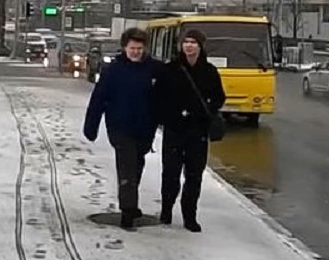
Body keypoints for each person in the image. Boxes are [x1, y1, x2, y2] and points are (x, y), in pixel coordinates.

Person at [82, 27, 160, 230]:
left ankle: (129, 202)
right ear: (125, 47)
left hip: (144, 128)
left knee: (136, 165)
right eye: (132, 48)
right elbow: (98, 99)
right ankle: (128, 210)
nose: (136, 52)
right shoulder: (113, 71)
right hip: (120, 127)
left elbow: (166, 95)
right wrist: (91, 126)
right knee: (126, 166)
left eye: (139, 48)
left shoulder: (154, 69)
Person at [151, 28, 225, 232]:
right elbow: (158, 98)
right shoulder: (170, 69)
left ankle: (189, 216)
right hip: (174, 131)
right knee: (171, 175)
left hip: (197, 132)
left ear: (200, 46)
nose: (189, 46)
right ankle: (166, 211)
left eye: (193, 42)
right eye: (186, 42)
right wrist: (170, 116)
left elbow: (219, 97)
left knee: (194, 176)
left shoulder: (209, 71)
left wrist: (206, 110)